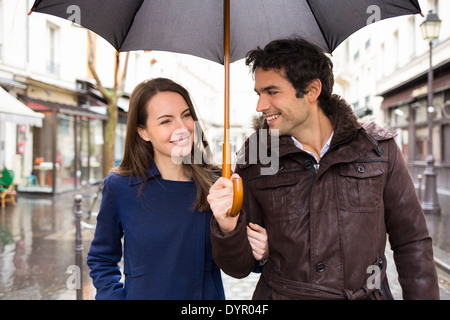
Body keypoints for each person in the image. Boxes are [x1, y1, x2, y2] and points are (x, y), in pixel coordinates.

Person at [207, 38, 440, 300]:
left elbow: (412, 242)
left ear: (311, 90)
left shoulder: (377, 148)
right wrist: (228, 228)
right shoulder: (256, 156)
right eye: (258, 93)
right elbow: (238, 267)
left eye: (272, 92)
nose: (260, 106)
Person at [87, 78, 268, 300]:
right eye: (166, 121)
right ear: (142, 131)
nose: (182, 128)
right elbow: (102, 259)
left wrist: (259, 247)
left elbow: (251, 264)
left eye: (186, 115)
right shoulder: (120, 186)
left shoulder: (220, 185)